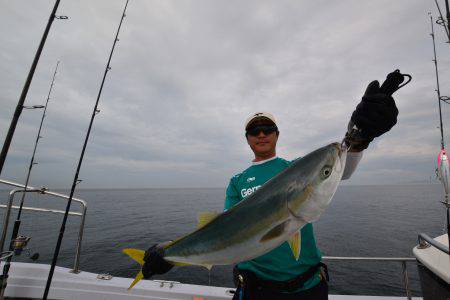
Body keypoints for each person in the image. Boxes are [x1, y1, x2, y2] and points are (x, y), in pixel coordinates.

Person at [139, 78, 400, 299]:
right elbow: (222, 229)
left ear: (277, 134)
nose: (261, 134)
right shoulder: (237, 181)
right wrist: (170, 251)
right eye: (254, 131)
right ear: (247, 139)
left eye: (267, 129)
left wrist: (359, 137)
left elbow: (342, 169)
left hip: (309, 286)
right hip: (256, 289)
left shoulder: (296, 168)